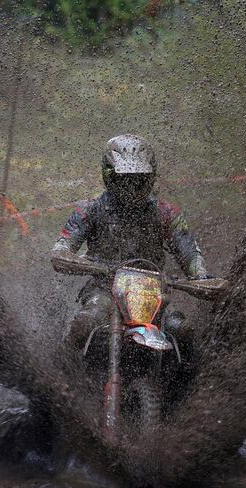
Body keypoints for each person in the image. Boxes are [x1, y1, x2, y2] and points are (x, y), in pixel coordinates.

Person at [51, 134, 210, 350]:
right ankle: (62, 367)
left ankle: (189, 382)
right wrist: (76, 261)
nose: (131, 187)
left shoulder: (165, 213)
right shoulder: (89, 210)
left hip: (151, 294)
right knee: (86, 321)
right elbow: (62, 249)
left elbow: (189, 252)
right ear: (110, 177)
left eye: (138, 180)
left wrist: (199, 276)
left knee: (183, 330)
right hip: (104, 289)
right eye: (124, 179)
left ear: (150, 178)